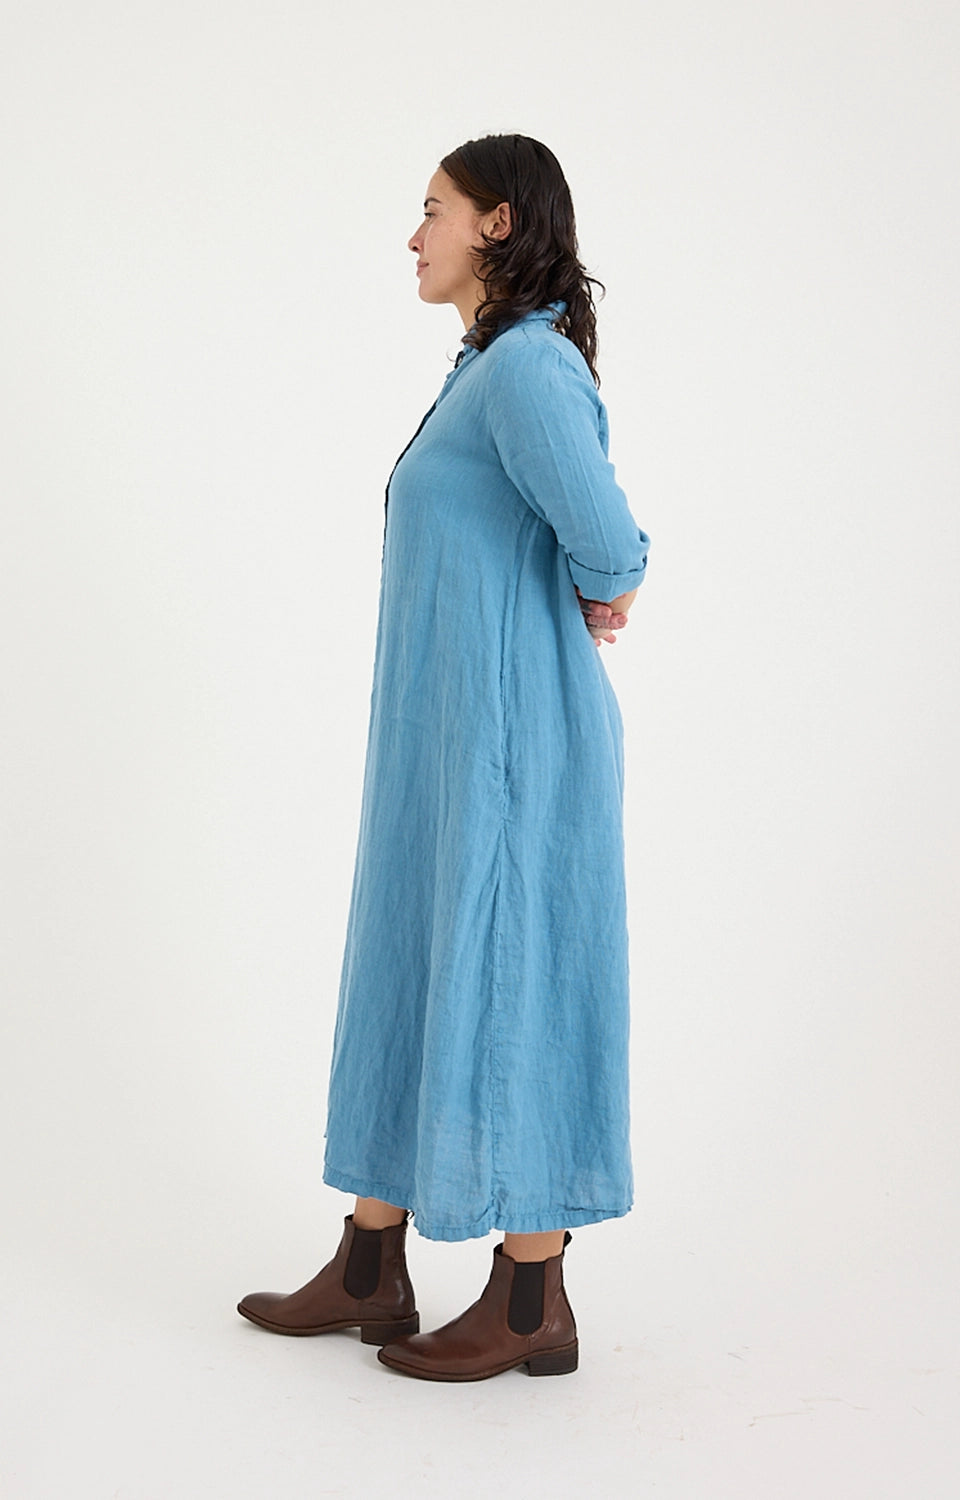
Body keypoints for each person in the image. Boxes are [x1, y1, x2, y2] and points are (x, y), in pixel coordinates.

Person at [238, 133, 650, 1382]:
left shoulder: (526, 370)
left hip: (516, 747)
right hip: (444, 740)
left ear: (497, 223)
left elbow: (609, 541)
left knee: (516, 977)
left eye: (433, 210)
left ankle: (531, 1296)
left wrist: (605, 587)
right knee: (407, 963)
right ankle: (372, 1263)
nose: (413, 235)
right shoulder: (483, 369)